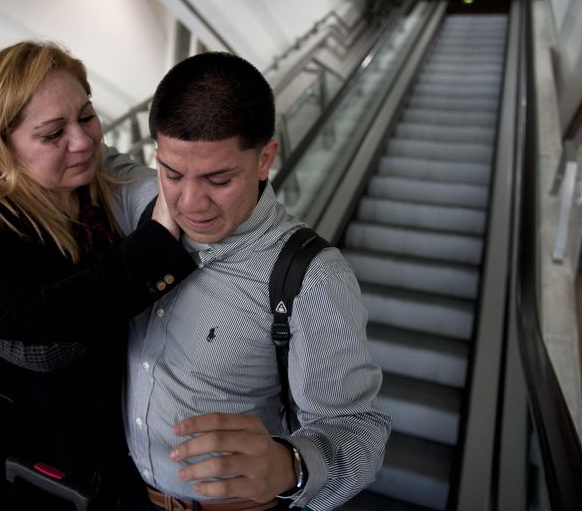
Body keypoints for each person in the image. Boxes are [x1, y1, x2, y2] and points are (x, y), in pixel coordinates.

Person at [0, 40, 197, 511]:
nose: (83, 141)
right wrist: (156, 245)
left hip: (96, 475)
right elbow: (34, 341)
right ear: (0, 145)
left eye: (86, 116)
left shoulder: (99, 197)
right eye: (51, 134)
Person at [121, 52, 390, 511]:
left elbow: (360, 430)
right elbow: (83, 151)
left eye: (218, 179)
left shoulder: (312, 276)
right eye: (172, 173)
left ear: (265, 158)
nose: (190, 202)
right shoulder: (141, 199)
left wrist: (290, 465)